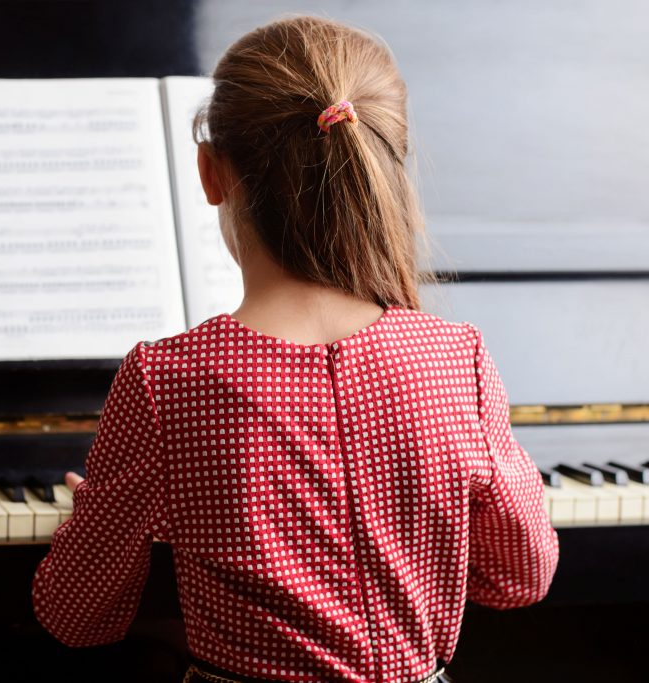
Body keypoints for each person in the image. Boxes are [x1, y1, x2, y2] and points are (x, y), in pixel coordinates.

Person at [32, 14, 559, 683]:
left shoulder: (165, 379)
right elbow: (522, 575)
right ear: (384, 166)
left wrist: (105, 524)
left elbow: (77, 619)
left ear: (210, 173)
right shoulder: (457, 359)